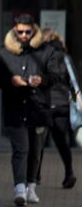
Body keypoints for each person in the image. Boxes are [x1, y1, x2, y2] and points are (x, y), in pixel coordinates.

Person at [0, 14, 59, 207]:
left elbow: (56, 76)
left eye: (27, 31)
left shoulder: (47, 51)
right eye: (20, 31)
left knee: (35, 149)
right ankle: (19, 189)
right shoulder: (4, 52)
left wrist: (43, 80)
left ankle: (31, 187)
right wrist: (11, 81)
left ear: (34, 30)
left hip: (38, 107)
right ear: (15, 30)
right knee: (21, 148)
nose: (24, 35)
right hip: (15, 108)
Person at [37, 28, 76, 188]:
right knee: (62, 142)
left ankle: (35, 176)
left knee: (38, 142)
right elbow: (73, 80)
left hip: (45, 104)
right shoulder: (66, 57)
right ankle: (69, 173)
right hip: (62, 105)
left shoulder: (42, 55)